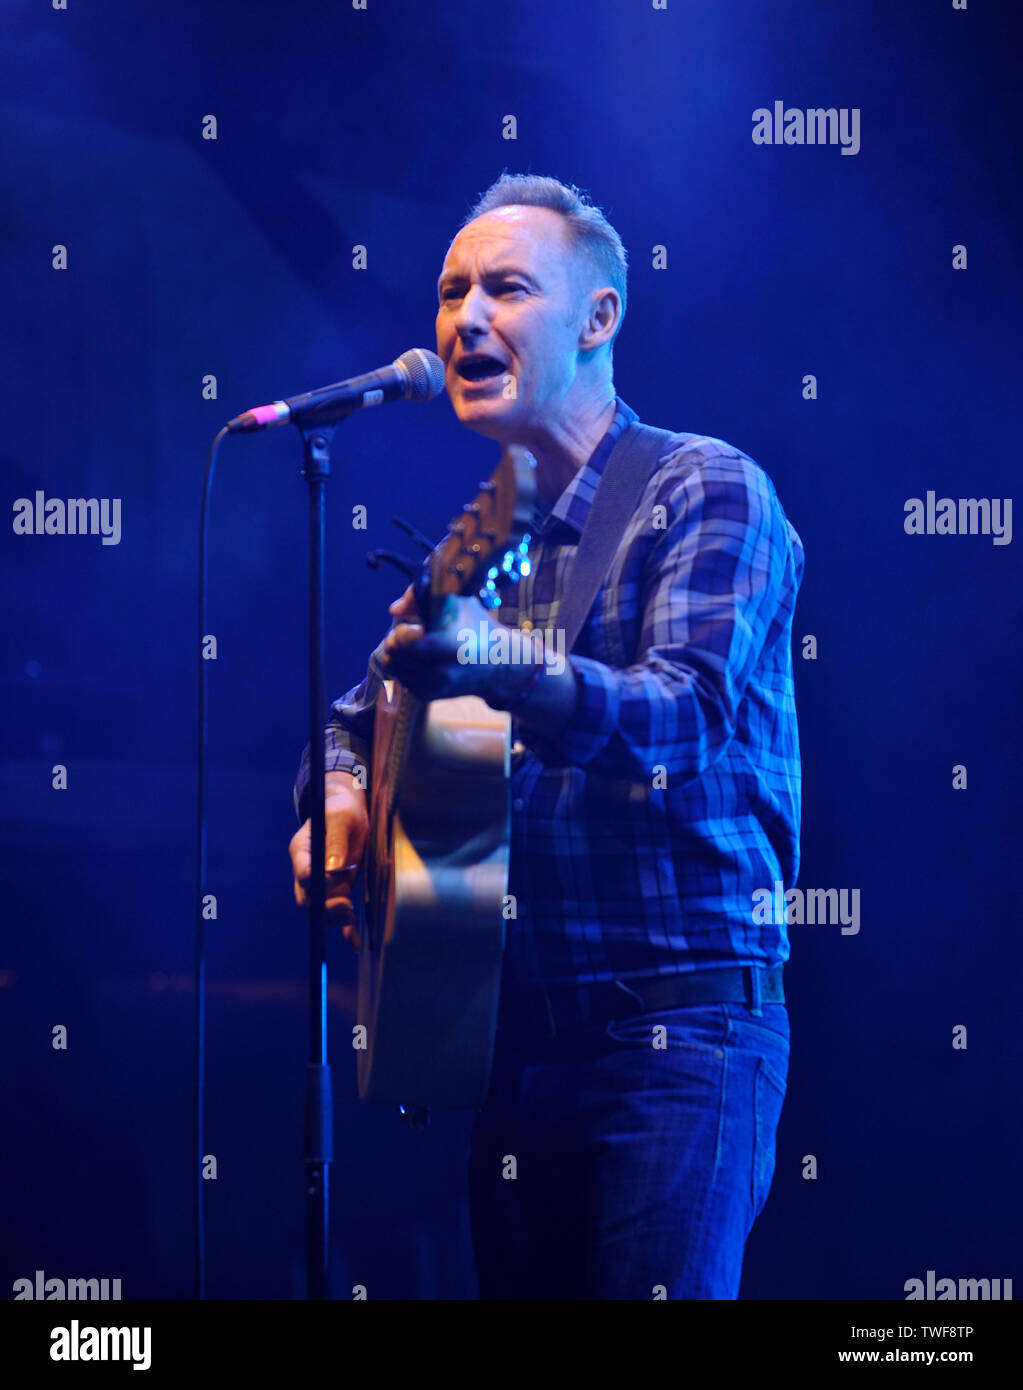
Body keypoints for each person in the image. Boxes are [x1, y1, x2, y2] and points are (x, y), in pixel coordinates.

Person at [290, 173, 804, 1300]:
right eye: (450, 292)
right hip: (513, 1049)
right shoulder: (488, 541)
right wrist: (335, 798)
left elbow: (686, 715)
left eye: (507, 288)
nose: (464, 318)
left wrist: (500, 665)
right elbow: (354, 715)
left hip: (677, 1039)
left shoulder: (703, 487)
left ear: (599, 317)